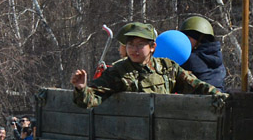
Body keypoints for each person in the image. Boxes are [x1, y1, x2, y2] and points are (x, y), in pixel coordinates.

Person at [71, 22, 226, 108]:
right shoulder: (119, 71)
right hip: (134, 139)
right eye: (130, 45)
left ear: (152, 47)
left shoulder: (167, 67)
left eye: (140, 45)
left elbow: (197, 86)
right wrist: (81, 88)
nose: (134, 49)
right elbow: (91, 99)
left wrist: (221, 97)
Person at [180, 16, 227, 90]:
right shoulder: (218, 58)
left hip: (197, 100)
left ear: (197, 38)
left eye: (187, 37)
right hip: (218, 98)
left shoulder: (190, 59)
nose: (183, 40)